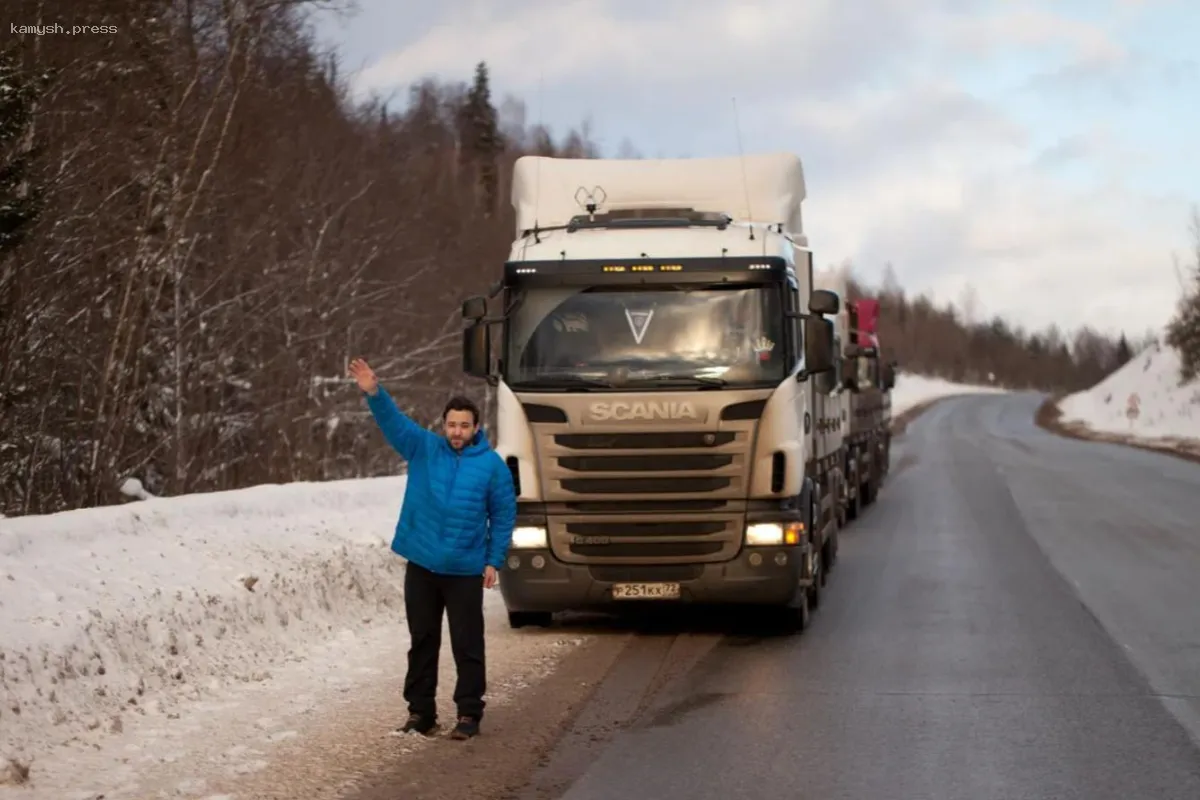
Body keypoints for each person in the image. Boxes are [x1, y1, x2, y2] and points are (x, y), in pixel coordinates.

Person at [347, 357, 516, 740]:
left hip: (464, 570)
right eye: (452, 425)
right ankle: (421, 713)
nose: (457, 431)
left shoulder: (492, 467)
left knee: (467, 644)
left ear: (476, 428)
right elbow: (394, 423)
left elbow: (503, 515)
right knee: (422, 640)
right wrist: (374, 392)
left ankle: (469, 713)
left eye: (464, 426)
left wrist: (493, 560)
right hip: (422, 565)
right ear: (444, 425)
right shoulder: (424, 448)